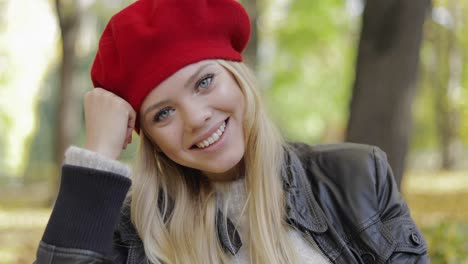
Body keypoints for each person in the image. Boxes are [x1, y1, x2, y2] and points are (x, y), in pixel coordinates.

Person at [35, 0, 430, 263]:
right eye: (163, 113)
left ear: (239, 78)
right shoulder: (135, 233)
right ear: (150, 140)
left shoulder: (358, 178)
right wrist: (99, 155)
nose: (196, 118)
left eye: (204, 82)